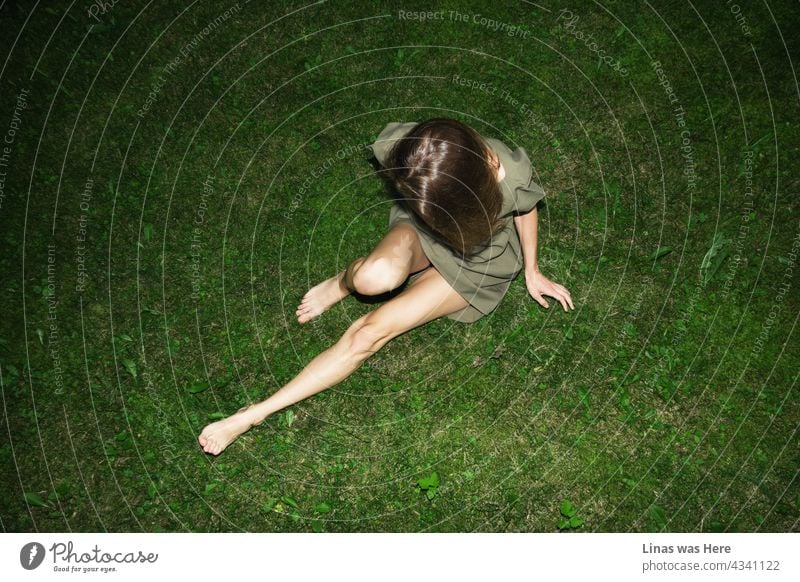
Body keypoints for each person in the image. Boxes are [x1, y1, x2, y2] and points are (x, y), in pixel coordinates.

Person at [198, 117, 574, 455]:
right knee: (371, 278)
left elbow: (526, 209)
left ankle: (254, 414)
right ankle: (343, 283)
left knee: (367, 335)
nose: (496, 165)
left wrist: (532, 269)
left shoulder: (507, 170)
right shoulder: (416, 153)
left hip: (475, 263)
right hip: (426, 234)